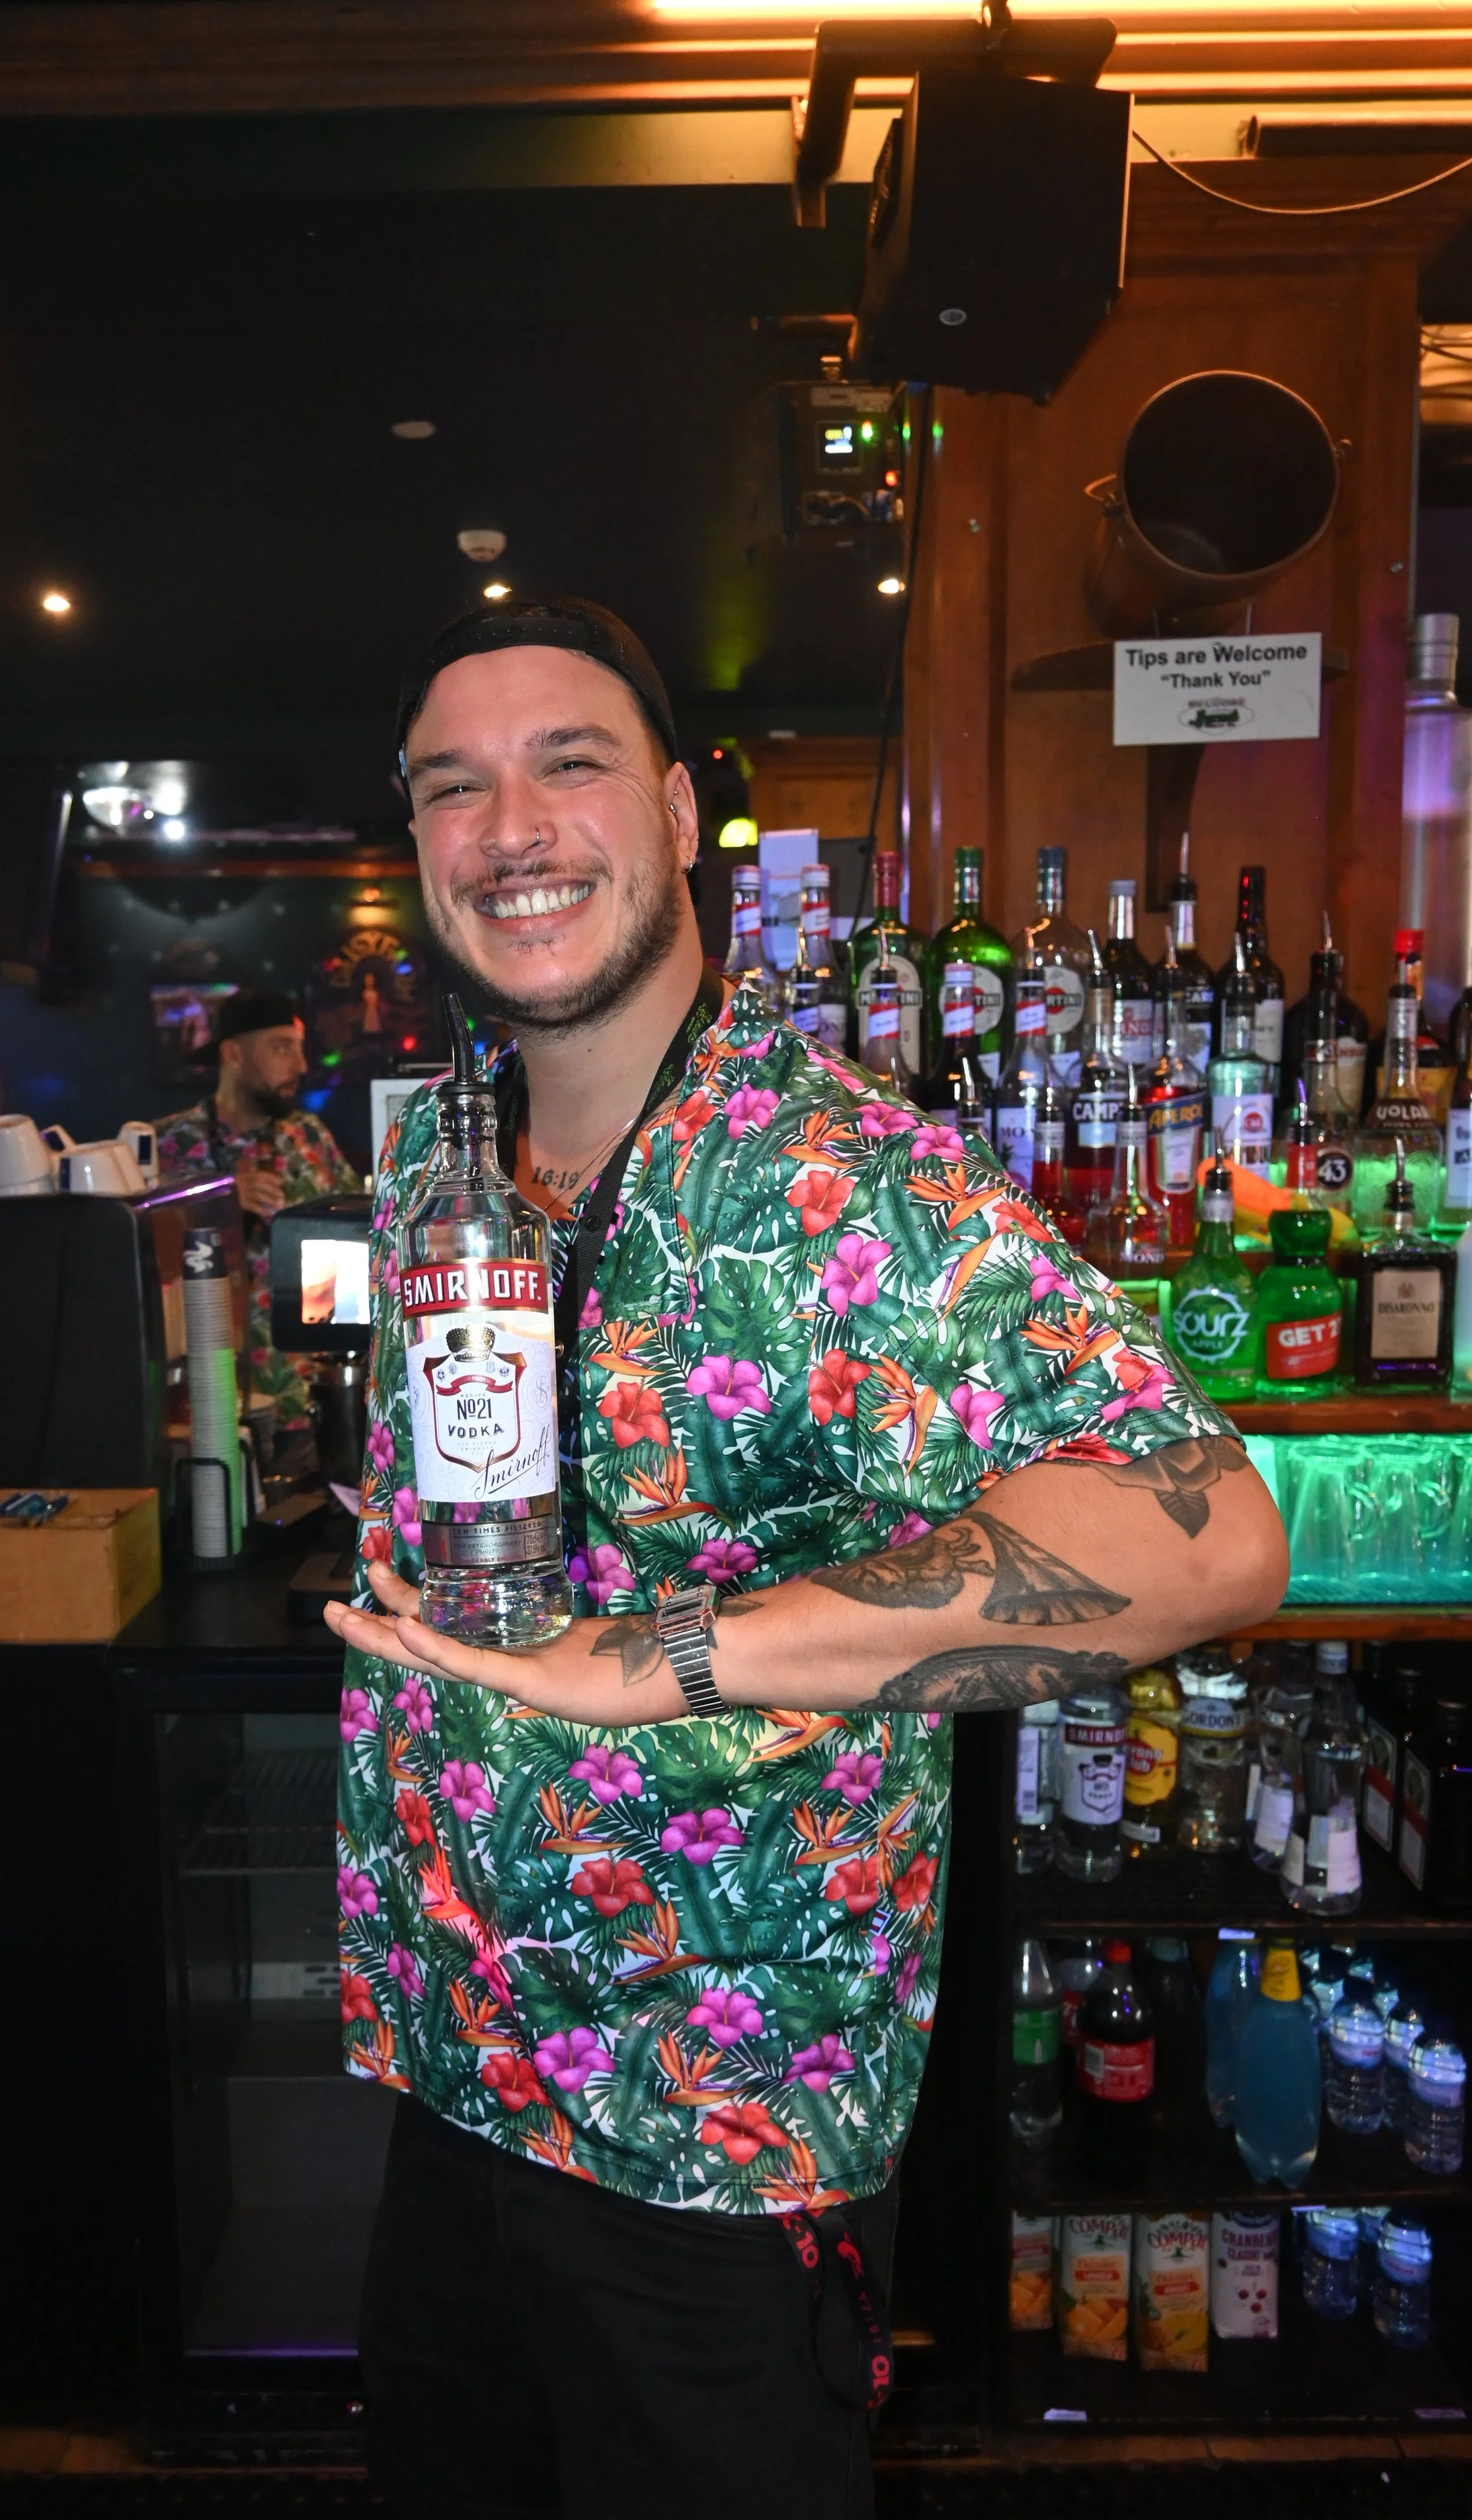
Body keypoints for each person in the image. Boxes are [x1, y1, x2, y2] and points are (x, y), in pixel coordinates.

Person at [324, 598, 1288, 2520]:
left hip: (710, 2141)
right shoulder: (442, 1145)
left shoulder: (845, 1174)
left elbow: (1212, 1532)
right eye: (456, 782)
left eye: (568, 762)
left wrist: (674, 1652)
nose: (508, 822)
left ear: (681, 815)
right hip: (451, 2067)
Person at [157, 986, 358, 1425]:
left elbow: (363, 1245)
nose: (301, 1067)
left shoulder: (310, 1137)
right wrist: (216, 1204)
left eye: (301, 1049)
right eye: (282, 1048)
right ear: (233, 1054)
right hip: (207, 1401)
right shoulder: (169, 1145)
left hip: (312, 1393)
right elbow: (142, 1266)